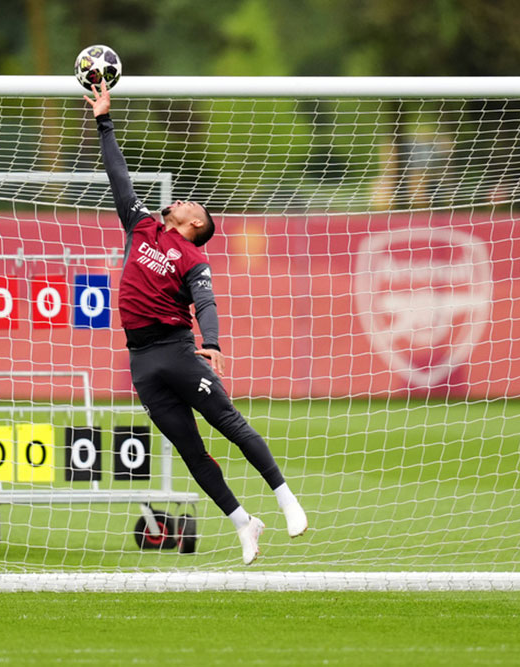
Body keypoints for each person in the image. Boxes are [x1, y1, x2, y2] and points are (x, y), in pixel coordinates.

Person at [84, 81, 307, 565]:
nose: (181, 201)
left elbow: (206, 303)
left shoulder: (191, 259)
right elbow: (118, 176)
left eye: (190, 205)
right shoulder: (141, 225)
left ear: (195, 226)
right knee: (189, 449)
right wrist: (105, 120)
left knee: (228, 423)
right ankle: (243, 523)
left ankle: (288, 501)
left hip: (177, 352)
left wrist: (214, 343)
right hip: (142, 362)